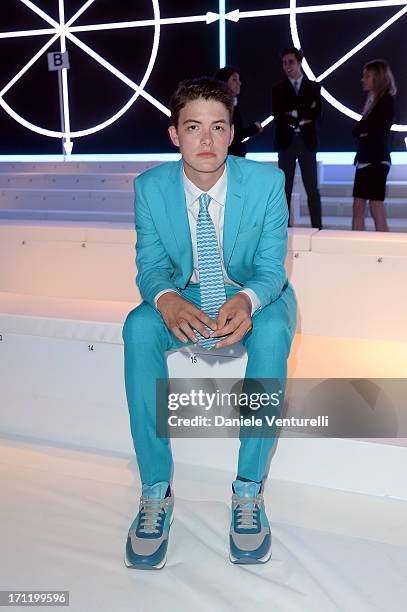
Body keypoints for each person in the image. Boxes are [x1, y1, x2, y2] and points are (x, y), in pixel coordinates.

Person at [122, 77, 297, 569]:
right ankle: (155, 490)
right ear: (174, 133)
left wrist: (247, 301)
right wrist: (165, 299)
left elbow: (269, 269)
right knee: (137, 326)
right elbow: (150, 265)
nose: (206, 140)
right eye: (193, 127)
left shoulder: (264, 183)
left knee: (275, 332)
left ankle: (248, 491)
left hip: (254, 291)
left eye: (218, 127)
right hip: (186, 292)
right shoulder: (149, 187)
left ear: (231, 131)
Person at [272, 47, 322, 229]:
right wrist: (303, 114)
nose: (287, 66)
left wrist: (292, 113)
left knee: (312, 187)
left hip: (307, 142)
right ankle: (283, 228)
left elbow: (316, 113)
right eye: (284, 63)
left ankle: (318, 227)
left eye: (291, 62)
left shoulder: (314, 87)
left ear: (299, 62)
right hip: (286, 143)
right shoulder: (277, 89)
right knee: (284, 189)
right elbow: (279, 115)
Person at [352, 59, 397, 232]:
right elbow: (361, 130)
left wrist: (362, 130)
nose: (363, 79)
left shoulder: (385, 101)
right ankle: (357, 248)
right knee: (359, 206)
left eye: (367, 76)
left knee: (374, 206)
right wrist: (362, 130)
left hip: (376, 160)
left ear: (377, 78)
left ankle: (384, 250)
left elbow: (369, 128)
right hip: (367, 159)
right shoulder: (374, 101)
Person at [214, 65, 263, 157]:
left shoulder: (232, 105)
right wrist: (253, 130)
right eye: (234, 79)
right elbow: (231, 137)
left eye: (238, 79)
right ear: (224, 82)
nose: (239, 83)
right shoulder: (221, 108)